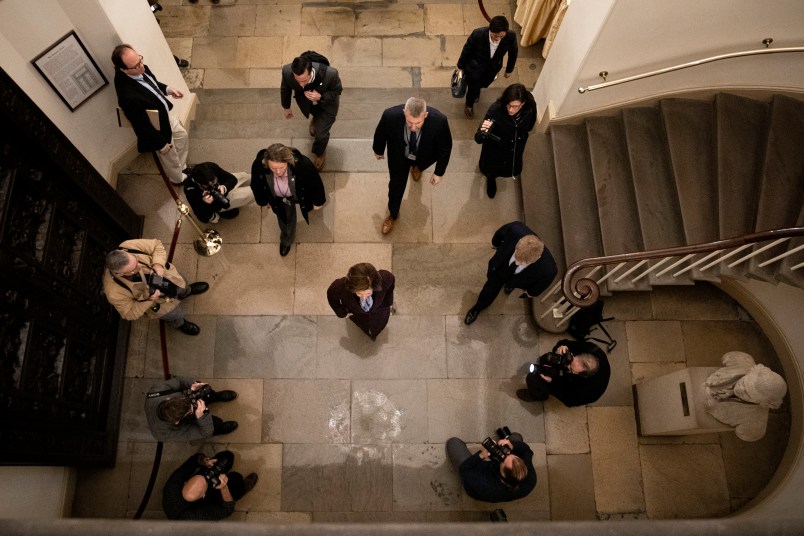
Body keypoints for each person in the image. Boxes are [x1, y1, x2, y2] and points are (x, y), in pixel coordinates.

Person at [372, 97, 452, 235]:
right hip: (399, 157)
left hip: (424, 155)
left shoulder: (440, 121)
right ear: (404, 112)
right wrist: (378, 150)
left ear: (425, 115)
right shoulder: (389, 116)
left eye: (418, 123)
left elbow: (445, 147)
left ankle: (417, 167)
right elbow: (381, 133)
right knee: (396, 186)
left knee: (421, 163)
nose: (413, 127)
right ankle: (393, 214)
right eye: (410, 122)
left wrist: (439, 172)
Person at [112, 44, 188, 185]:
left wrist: (168, 89)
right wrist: (161, 143)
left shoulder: (139, 68)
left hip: (164, 116)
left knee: (182, 136)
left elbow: (152, 84)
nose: (142, 66)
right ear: (123, 70)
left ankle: (182, 167)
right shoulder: (127, 96)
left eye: (140, 60)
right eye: (136, 65)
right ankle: (177, 179)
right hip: (157, 128)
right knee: (169, 157)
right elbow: (141, 124)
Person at [102, 238, 208, 336]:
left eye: (137, 260)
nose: (140, 266)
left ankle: (187, 291)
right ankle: (180, 323)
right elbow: (129, 313)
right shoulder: (113, 292)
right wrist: (146, 298)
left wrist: (157, 264)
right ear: (120, 274)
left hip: (169, 278)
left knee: (182, 285)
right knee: (173, 314)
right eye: (134, 269)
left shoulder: (127, 246)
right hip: (157, 303)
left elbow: (156, 245)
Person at [464, 221, 557, 325]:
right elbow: (499, 234)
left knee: (512, 282)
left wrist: (529, 292)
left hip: (520, 278)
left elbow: (539, 286)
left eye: (523, 262)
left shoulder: (548, 270)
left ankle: (510, 285)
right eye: (517, 256)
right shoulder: (515, 229)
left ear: (537, 258)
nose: (517, 262)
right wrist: (496, 244)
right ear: (519, 243)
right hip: (500, 268)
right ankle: (478, 307)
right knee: (489, 290)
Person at [250, 143, 326, 256]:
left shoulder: (303, 164)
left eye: (281, 168)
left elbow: (315, 182)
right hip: (279, 198)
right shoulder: (258, 165)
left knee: (305, 206)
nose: (278, 172)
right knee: (285, 219)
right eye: (273, 168)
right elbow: (256, 184)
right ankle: (286, 240)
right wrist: (264, 200)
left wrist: (318, 201)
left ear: (288, 162)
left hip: (299, 192)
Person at [705, 351, 787, 441]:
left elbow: (748, 435)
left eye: (747, 394)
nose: (740, 389)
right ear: (751, 372)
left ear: (762, 403)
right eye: (743, 382)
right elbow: (727, 357)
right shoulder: (741, 361)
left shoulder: (754, 423)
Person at [280, 54, 343, 170]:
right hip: (307, 103)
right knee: (315, 115)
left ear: (310, 72)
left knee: (321, 134)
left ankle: (319, 153)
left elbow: (338, 90)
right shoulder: (287, 71)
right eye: (298, 81)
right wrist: (286, 107)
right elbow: (285, 88)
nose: (301, 85)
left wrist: (321, 97)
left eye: (304, 80)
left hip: (327, 106)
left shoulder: (331, 74)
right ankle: (315, 119)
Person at [475, 83, 537, 198]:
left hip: (515, 145)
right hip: (496, 148)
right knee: (492, 168)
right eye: (508, 105)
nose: (510, 109)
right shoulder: (495, 110)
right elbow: (478, 138)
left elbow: (530, 125)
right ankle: (491, 179)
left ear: (523, 103)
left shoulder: (530, 106)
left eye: (515, 106)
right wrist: (483, 133)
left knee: (509, 166)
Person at [162, 450, 258, 520]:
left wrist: (205, 462)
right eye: (206, 483)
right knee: (237, 479)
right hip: (205, 504)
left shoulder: (171, 487)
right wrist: (224, 488)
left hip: (191, 497)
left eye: (203, 478)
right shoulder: (197, 517)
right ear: (203, 494)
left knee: (227, 457)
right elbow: (228, 509)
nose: (208, 478)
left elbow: (193, 461)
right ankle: (242, 489)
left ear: (185, 482)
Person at [446, 431, 536, 503]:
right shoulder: (529, 476)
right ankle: (507, 440)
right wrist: (511, 446)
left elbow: (464, 469)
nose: (505, 454)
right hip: (496, 474)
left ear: (503, 474)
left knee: (453, 443)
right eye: (508, 454)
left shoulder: (486, 487)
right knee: (516, 437)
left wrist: (480, 456)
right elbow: (527, 451)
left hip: (477, 480)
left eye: (503, 459)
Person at [517, 339, 611, 407]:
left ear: (582, 375)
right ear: (579, 354)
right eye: (571, 360)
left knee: (533, 378)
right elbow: (564, 343)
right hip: (575, 376)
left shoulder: (587, 391)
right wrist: (561, 347)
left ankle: (538, 396)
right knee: (547, 358)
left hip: (574, 389)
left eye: (570, 368)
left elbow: (568, 400)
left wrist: (552, 383)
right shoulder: (591, 348)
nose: (566, 366)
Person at [457, 15, 518, 119]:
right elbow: (467, 49)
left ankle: (477, 90)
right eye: (495, 36)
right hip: (474, 68)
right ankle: (469, 105)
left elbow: (513, 53)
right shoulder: (478, 34)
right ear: (490, 30)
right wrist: (460, 66)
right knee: (472, 88)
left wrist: (509, 70)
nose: (497, 39)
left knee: (484, 84)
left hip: (492, 69)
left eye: (501, 37)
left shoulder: (511, 36)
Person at [144, 376, 239, 443]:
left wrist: (191, 386)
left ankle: (216, 396)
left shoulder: (157, 391)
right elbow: (204, 432)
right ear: (177, 422)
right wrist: (202, 417)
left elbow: (178, 381)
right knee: (216, 423)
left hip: (183, 403)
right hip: (190, 421)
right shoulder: (164, 434)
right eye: (191, 409)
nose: (194, 404)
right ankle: (220, 429)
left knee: (203, 392)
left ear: (168, 398)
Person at [327, 263, 395, 341]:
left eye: (368, 293)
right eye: (359, 293)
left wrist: (387, 303)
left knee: (379, 326)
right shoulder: (339, 286)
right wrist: (341, 312)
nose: (363, 298)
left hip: (380, 315)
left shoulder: (385, 278)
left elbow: (391, 286)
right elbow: (332, 297)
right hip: (357, 316)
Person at [183, 162, 254, 224]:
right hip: (215, 204)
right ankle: (223, 212)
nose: (213, 186)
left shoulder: (210, 166)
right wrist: (208, 203)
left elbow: (232, 179)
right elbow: (202, 217)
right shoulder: (190, 190)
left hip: (223, 187)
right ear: (199, 184)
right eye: (208, 186)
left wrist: (224, 187)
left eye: (214, 182)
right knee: (253, 193)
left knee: (247, 176)